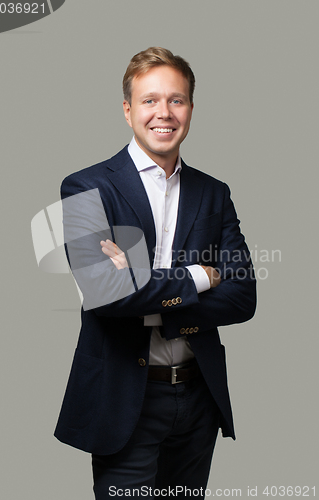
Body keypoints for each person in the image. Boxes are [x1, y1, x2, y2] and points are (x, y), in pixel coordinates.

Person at [54, 47, 256, 499]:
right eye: (149, 100)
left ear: (190, 108)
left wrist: (146, 290)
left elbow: (244, 297)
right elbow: (106, 295)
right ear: (127, 110)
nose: (163, 113)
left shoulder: (214, 192)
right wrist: (201, 277)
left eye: (176, 100)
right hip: (125, 397)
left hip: (198, 397)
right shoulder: (86, 187)